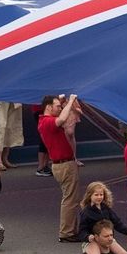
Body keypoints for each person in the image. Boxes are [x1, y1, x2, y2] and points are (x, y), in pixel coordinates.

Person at [39, 93, 84, 242]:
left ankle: (71, 230)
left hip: (64, 163)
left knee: (71, 198)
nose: (60, 108)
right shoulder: (47, 121)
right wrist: (71, 101)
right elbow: (62, 119)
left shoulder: (45, 121)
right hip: (64, 164)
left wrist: (64, 101)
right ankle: (67, 233)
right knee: (70, 199)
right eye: (57, 106)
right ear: (48, 107)